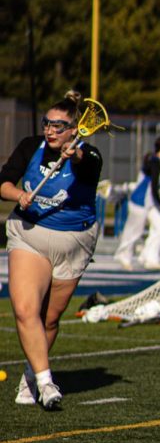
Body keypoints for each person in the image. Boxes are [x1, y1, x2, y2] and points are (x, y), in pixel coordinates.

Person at [0, 90, 103, 409]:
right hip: (29, 235)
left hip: (73, 242)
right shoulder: (31, 146)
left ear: (74, 129)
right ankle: (46, 383)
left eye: (59, 126)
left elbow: (88, 170)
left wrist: (77, 156)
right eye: (48, 123)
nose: (51, 130)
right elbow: (3, 182)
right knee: (25, 309)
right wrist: (18, 195)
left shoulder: (90, 155)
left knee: (50, 318)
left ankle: (31, 374)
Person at [115, 135, 160, 271]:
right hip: (140, 201)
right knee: (134, 231)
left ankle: (149, 258)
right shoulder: (154, 161)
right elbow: (153, 186)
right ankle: (123, 256)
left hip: (151, 203)